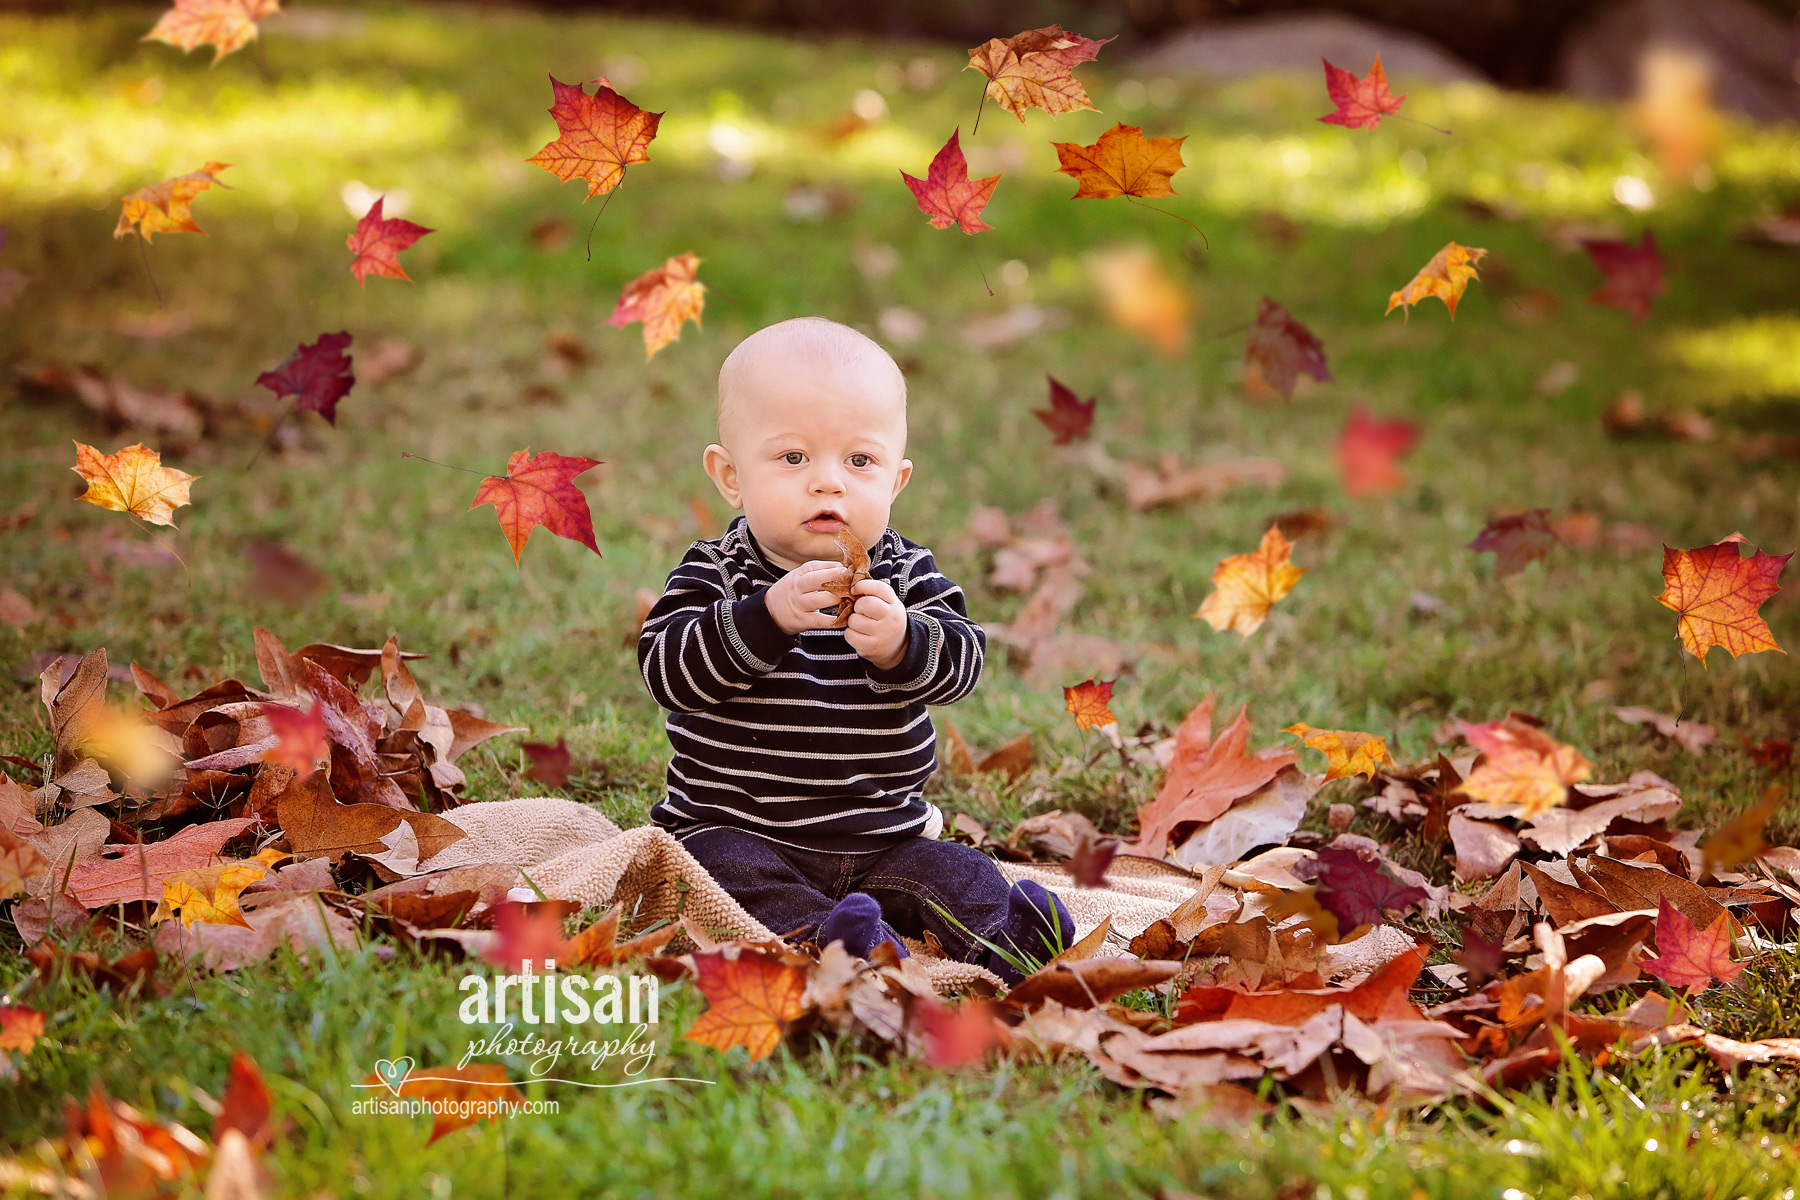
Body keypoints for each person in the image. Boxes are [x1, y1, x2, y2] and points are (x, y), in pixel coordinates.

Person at [636, 316, 1072, 984]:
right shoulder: (718, 574)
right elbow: (668, 670)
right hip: (740, 829)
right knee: (718, 878)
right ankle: (835, 942)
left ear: (895, 481)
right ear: (730, 476)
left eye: (859, 461)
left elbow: (964, 663)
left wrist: (904, 643)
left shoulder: (904, 576)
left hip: (882, 838)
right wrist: (765, 618)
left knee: (955, 872)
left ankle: (1009, 940)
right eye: (793, 458)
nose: (829, 483)